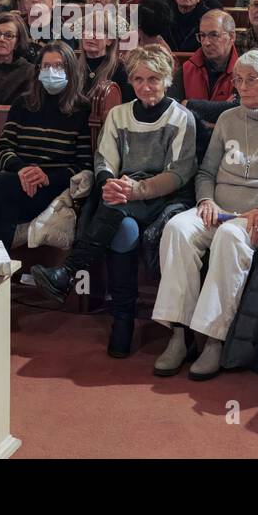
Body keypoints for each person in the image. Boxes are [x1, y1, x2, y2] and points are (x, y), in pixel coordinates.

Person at [30, 46, 198, 353]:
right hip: (123, 198)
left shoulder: (182, 117)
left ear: (167, 79)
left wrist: (134, 190)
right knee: (123, 229)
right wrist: (109, 184)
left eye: (153, 79)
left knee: (116, 207)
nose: (145, 86)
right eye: (138, 79)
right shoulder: (119, 115)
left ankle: (68, 272)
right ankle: (123, 320)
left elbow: (179, 174)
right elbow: (104, 160)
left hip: (164, 199)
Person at [153, 51, 258, 378]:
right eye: (238, 79)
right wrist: (205, 201)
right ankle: (178, 335)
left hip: (255, 217)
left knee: (228, 237)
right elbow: (206, 172)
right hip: (217, 207)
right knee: (177, 229)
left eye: (252, 79)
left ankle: (212, 340)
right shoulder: (227, 119)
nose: (243, 86)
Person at [0, 40, 92, 243]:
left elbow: (83, 165)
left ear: (70, 69)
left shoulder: (82, 110)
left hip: (52, 187)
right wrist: (23, 170)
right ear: (38, 70)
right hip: (17, 180)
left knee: (3, 186)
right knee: (8, 201)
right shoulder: (23, 104)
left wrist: (46, 178)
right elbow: (4, 147)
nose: (52, 71)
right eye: (47, 66)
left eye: (58, 66)